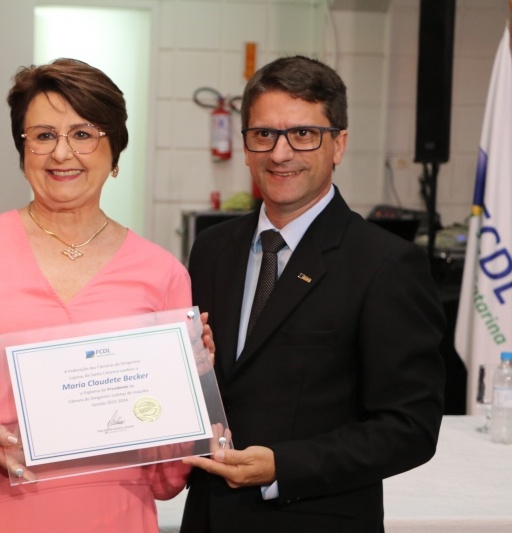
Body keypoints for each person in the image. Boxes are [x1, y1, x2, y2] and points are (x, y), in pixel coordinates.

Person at [0, 58, 207, 533]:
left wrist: (191, 380)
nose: (61, 153)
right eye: (43, 135)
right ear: (23, 150)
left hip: (114, 514)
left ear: (115, 150)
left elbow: (168, 468)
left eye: (83, 134)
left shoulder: (162, 272)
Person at [180, 55, 446, 533]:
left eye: (303, 134)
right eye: (264, 134)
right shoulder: (211, 249)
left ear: (338, 144)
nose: (280, 153)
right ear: (246, 146)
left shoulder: (386, 264)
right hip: (209, 518)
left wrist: (282, 467)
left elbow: (410, 428)